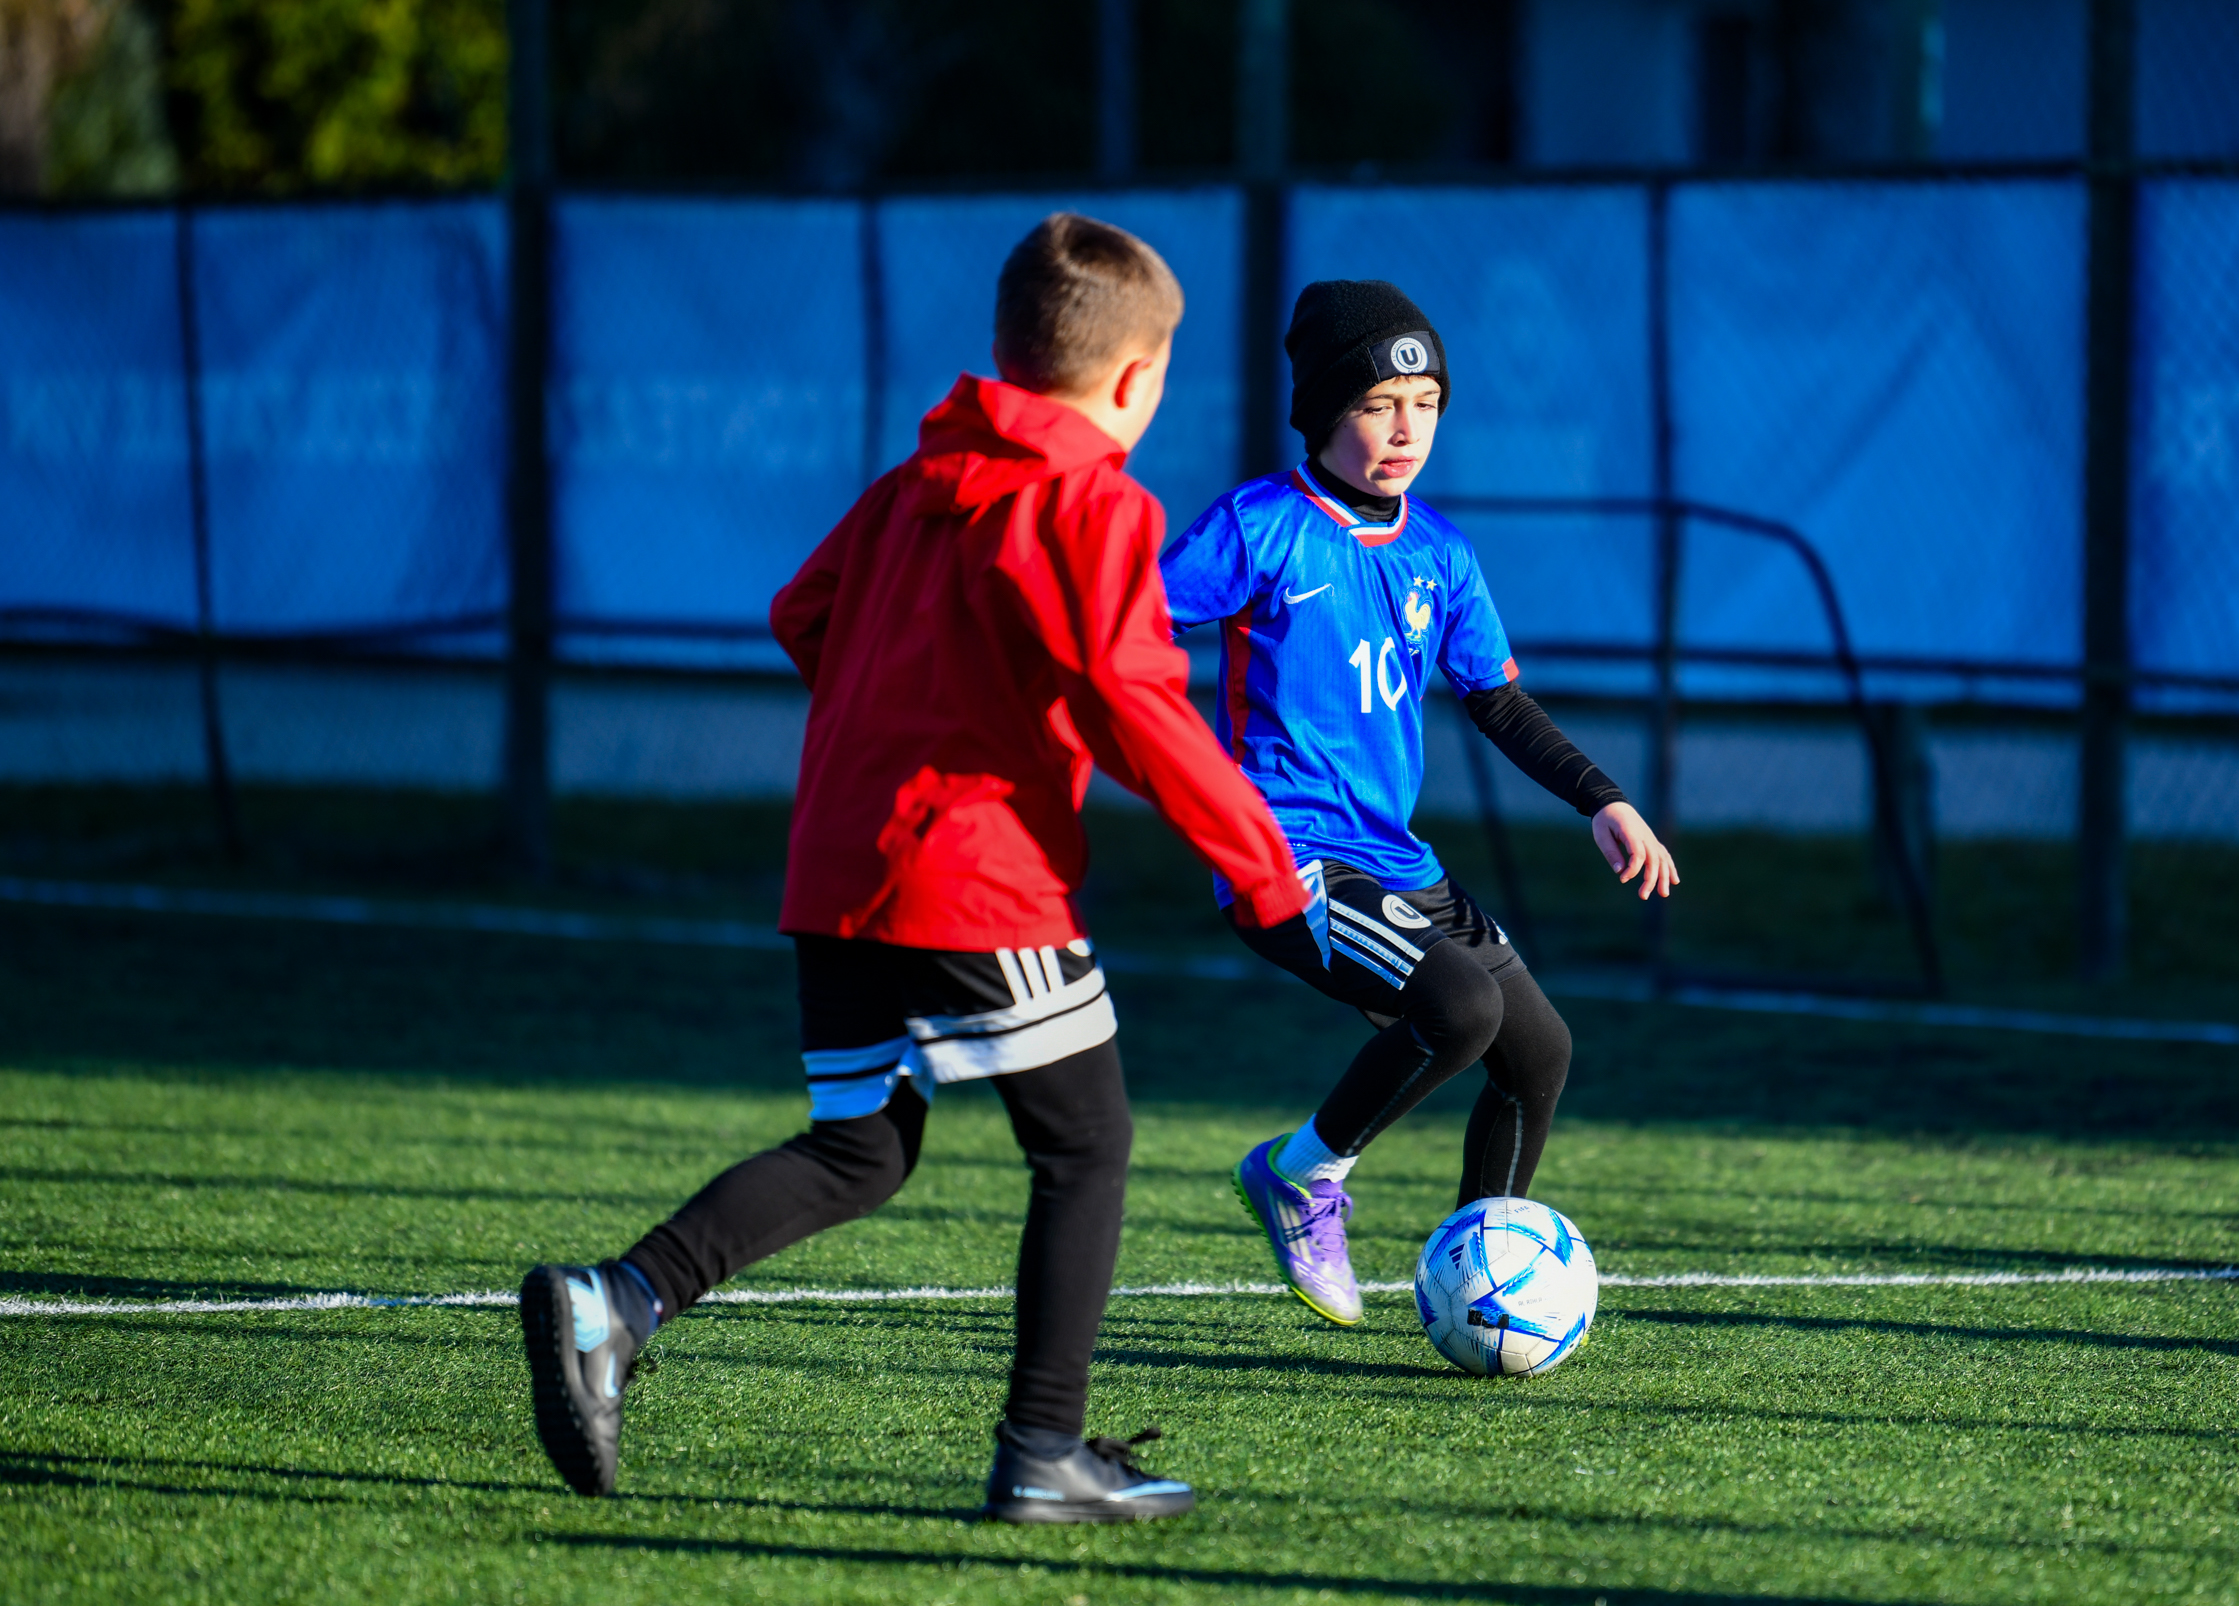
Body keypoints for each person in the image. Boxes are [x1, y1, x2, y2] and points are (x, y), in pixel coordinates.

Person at [518, 213, 1312, 1523]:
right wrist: (1264, 864)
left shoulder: (912, 484)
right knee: (1089, 1144)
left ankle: (618, 1301)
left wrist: (906, 726)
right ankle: (1043, 1451)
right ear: (1134, 381)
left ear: (1007, 352)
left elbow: (802, 614)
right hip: (972, 876)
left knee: (864, 1149)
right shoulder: (1094, 500)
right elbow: (1131, 690)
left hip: (837, 867)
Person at [1159, 279, 1680, 1328]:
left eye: (1426, 403)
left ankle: (1485, 1286)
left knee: (1537, 1053)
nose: (1404, 428)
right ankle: (1300, 1174)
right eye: (1374, 405)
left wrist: (1602, 798)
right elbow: (1124, 620)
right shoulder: (1259, 527)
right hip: (1284, 855)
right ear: (1321, 411)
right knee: (1460, 1007)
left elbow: (1492, 697)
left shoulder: (1438, 551)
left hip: (1390, 859)